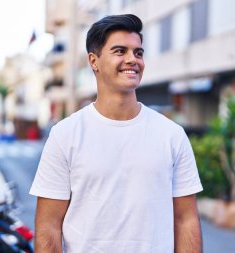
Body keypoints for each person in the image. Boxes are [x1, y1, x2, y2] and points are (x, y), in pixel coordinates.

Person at [30, 14, 203, 253]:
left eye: (138, 53)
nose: (133, 59)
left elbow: (186, 220)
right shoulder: (65, 134)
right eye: (120, 51)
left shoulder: (172, 135)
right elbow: (48, 226)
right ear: (94, 61)